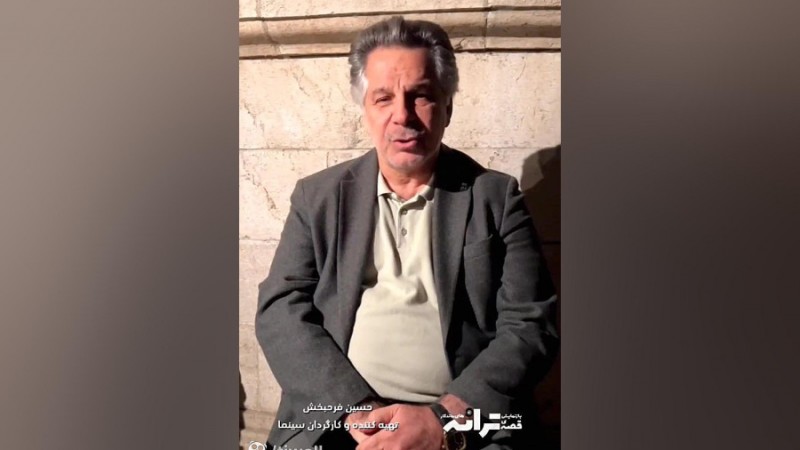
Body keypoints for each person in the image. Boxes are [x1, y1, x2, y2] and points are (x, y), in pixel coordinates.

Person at [255, 16, 559, 450]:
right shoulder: (317, 197)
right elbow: (280, 310)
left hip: (461, 425)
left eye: (421, 96)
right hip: (338, 417)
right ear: (365, 111)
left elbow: (530, 324)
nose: (402, 115)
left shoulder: (496, 197)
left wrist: (442, 422)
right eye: (383, 98)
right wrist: (356, 409)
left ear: (447, 107)